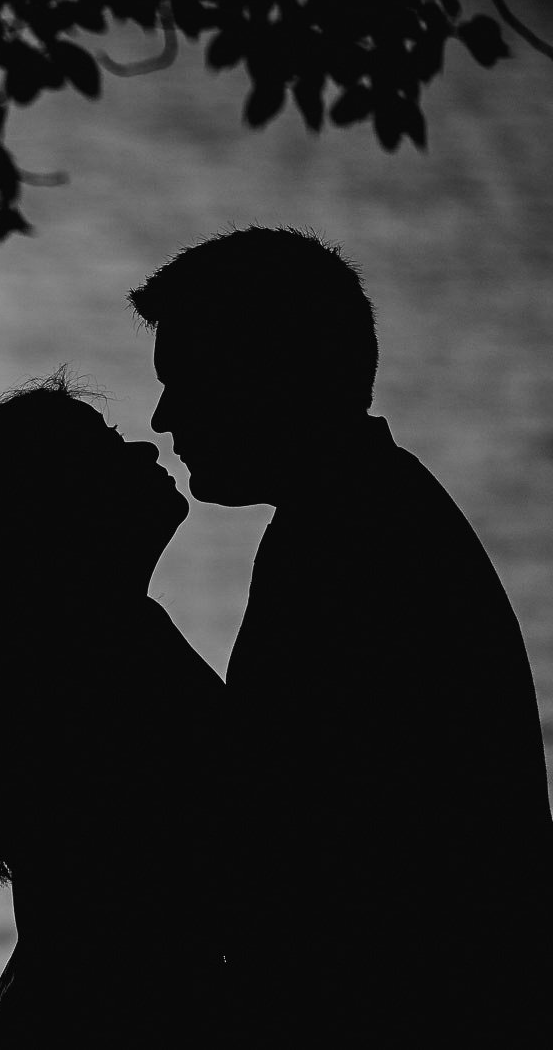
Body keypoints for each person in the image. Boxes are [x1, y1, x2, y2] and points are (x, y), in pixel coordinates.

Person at [131, 226, 553, 1044]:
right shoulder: (368, 513)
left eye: (186, 381)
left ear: (267, 376)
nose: (164, 415)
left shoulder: (349, 547)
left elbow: (274, 840)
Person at [0, 375, 228, 1047]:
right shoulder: (102, 662)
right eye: (108, 451)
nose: (146, 450)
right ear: (61, 508)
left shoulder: (95, 647)